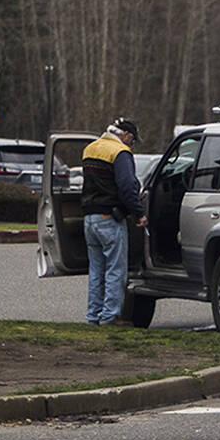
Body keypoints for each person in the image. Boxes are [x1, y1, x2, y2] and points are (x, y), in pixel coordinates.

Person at [80, 117, 148, 324]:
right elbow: (127, 187)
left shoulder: (90, 149)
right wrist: (139, 213)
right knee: (115, 270)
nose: (132, 145)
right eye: (133, 140)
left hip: (89, 218)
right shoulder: (120, 152)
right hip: (109, 217)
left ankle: (93, 316)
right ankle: (110, 317)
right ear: (126, 135)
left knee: (96, 270)